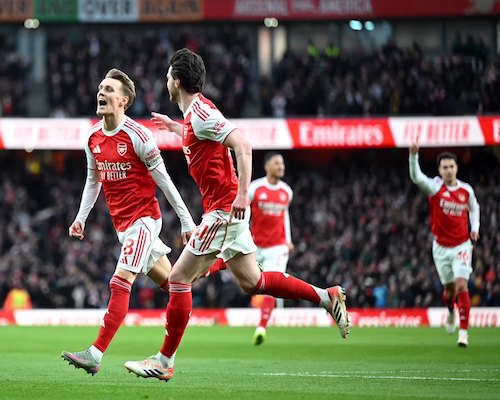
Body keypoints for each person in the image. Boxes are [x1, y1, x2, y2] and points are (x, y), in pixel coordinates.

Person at [123, 48, 349, 381]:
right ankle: (325, 296)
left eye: (169, 74)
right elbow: (200, 137)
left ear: (178, 80)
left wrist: (244, 192)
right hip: (228, 211)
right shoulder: (193, 118)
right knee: (253, 281)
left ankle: (164, 361)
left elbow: (242, 145)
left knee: (178, 279)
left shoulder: (200, 113)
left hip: (223, 211)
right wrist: (174, 127)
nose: (165, 80)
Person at [61, 68, 197, 375]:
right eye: (100, 87)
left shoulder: (138, 136)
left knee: (119, 281)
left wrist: (187, 221)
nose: (101, 92)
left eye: (109, 89)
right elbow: (93, 180)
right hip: (122, 227)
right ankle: (217, 262)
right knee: (176, 281)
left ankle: (95, 354)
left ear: (124, 100)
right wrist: (80, 218)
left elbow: (164, 181)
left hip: (145, 220)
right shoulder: (92, 137)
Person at [409, 136, 480, 347]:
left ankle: (464, 333)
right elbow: (416, 178)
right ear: (439, 171)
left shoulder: (466, 190)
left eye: (451, 166)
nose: (448, 170)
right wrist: (414, 156)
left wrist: (474, 229)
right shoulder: (435, 188)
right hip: (440, 248)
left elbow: (474, 208)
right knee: (449, 292)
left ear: (457, 168)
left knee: (461, 286)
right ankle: (451, 311)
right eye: (444, 167)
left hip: (462, 245)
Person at [248, 152, 294, 345]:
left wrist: (288, 240)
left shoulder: (287, 191)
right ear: (267, 166)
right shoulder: (255, 188)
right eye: (277, 163)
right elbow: (243, 211)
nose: (281, 166)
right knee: (250, 283)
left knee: (272, 286)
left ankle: (261, 328)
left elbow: (285, 215)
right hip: (255, 245)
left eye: (282, 163)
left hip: (277, 246)